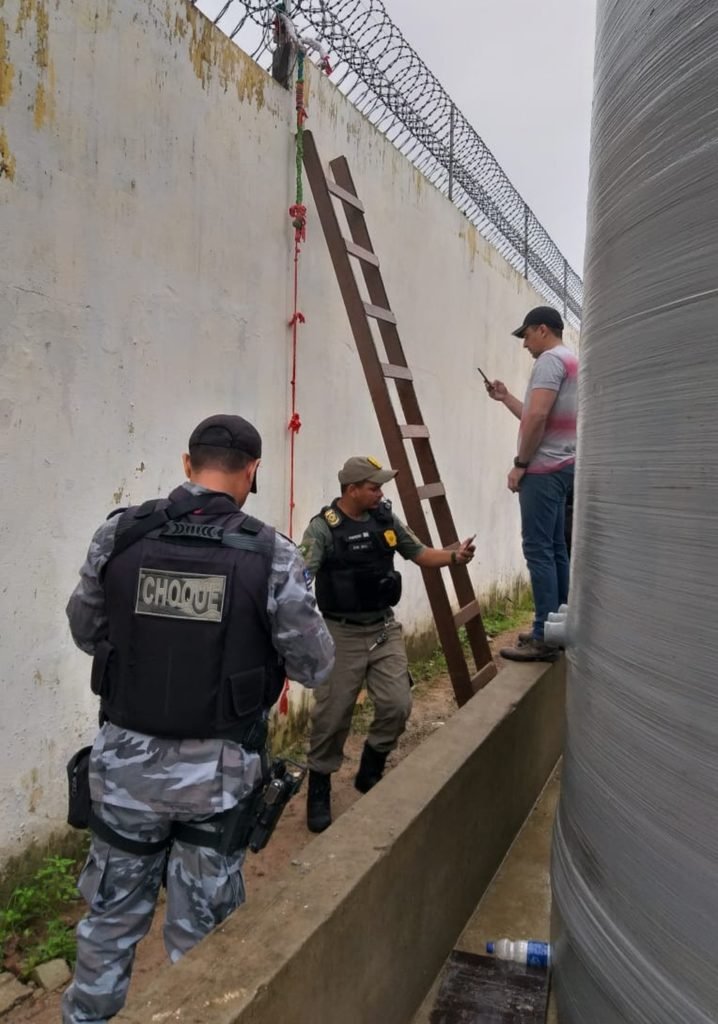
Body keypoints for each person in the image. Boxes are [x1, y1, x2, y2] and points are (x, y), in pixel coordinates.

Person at [62, 414, 334, 1024]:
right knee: (205, 946)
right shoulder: (272, 554)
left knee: (108, 927)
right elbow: (315, 665)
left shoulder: (119, 538)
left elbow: (86, 631)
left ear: (188, 464)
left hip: (126, 770)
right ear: (253, 472)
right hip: (216, 780)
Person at [299, 456, 476, 833]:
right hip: (340, 633)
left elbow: (421, 553)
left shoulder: (385, 520)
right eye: (374, 487)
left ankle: (371, 766)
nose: (381, 493)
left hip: (382, 628)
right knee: (332, 716)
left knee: (398, 703)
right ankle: (319, 784)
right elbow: (301, 578)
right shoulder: (322, 530)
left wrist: (454, 556)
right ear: (352, 490)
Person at [486, 306, 577, 661]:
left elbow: (538, 416)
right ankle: (557, 627)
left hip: (543, 469)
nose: (524, 344)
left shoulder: (550, 362)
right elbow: (538, 413)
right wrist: (505, 397)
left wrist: (520, 464)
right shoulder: (571, 361)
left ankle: (543, 635)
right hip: (564, 465)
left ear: (542, 330)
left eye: (526, 335)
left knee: (538, 550)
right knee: (556, 549)